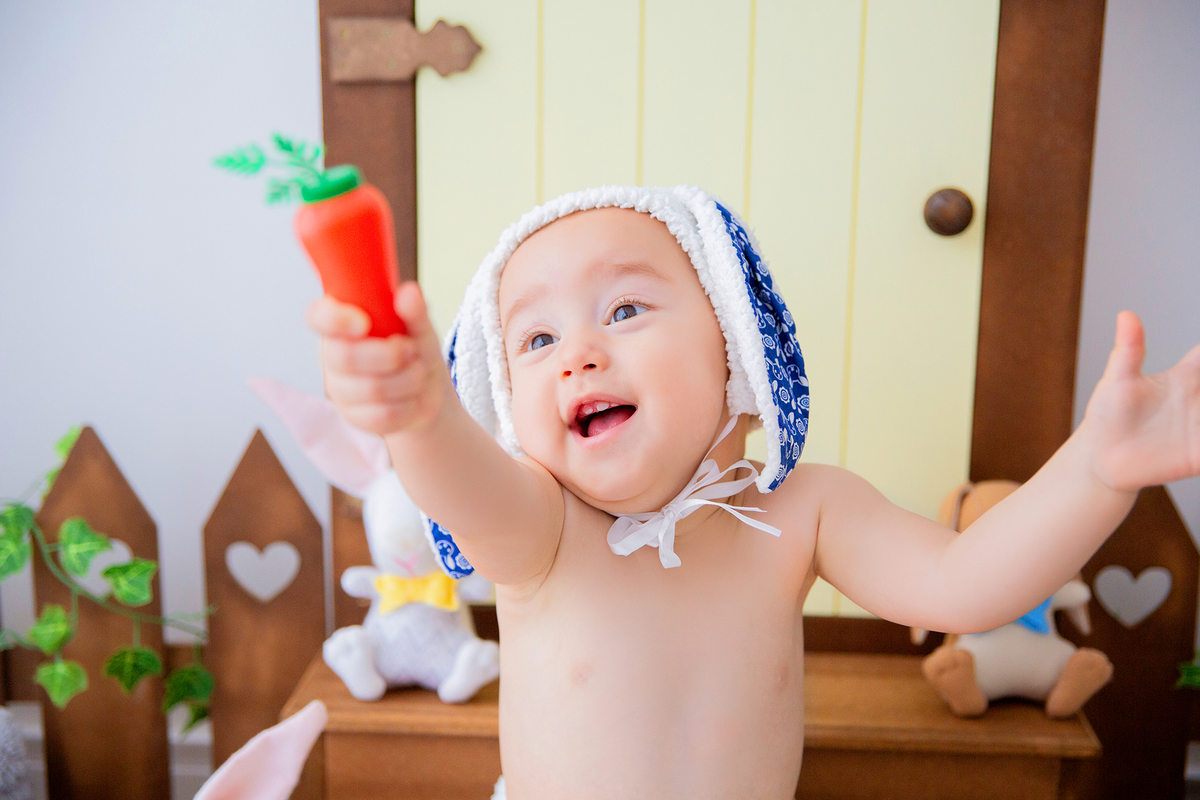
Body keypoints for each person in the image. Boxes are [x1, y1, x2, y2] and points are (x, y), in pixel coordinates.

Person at [307, 185, 1200, 800]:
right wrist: (418, 414)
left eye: (624, 310)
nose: (577, 353)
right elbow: (460, 483)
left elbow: (968, 582)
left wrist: (1098, 468)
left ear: (736, 349)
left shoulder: (802, 510)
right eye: (535, 340)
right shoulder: (544, 528)